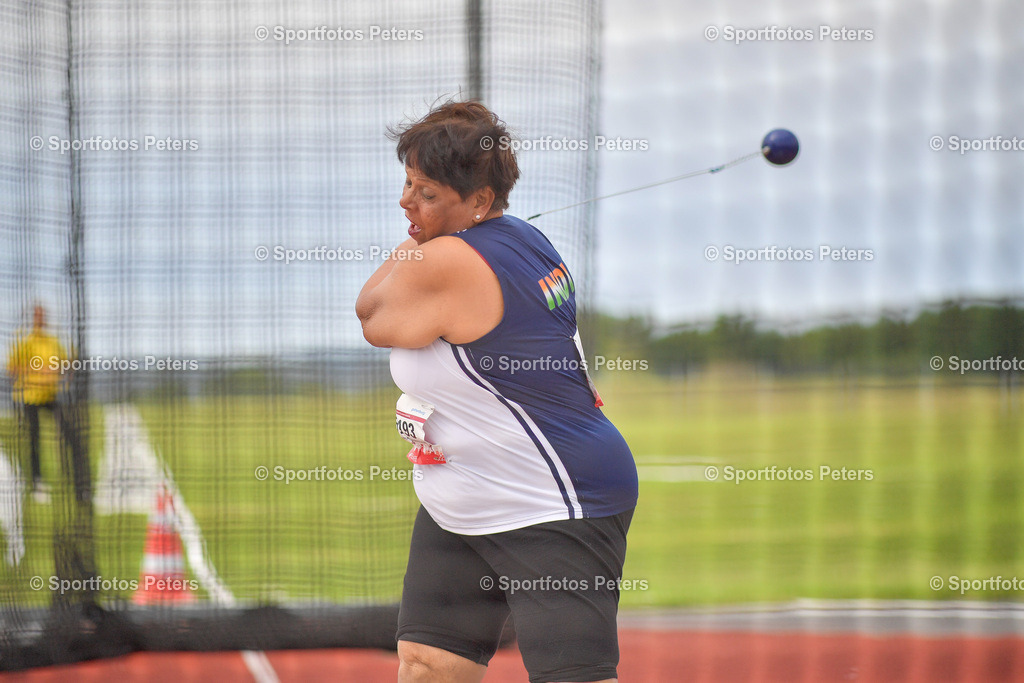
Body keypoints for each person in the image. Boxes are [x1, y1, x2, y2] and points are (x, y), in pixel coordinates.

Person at [356, 100, 639, 683]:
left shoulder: (448, 261)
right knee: (427, 664)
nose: (406, 203)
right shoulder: (523, 238)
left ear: (480, 201)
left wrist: (415, 246)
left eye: (426, 193)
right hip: (462, 500)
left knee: (573, 677)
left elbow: (372, 316)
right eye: (407, 185)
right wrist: (428, 228)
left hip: (550, 500)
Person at [5, 305, 70, 504]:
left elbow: (66, 364)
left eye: (43, 315)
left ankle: (71, 475)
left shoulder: (53, 341)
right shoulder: (25, 341)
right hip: (29, 396)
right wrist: (36, 370)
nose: (41, 319)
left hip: (50, 396)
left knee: (68, 431)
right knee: (34, 438)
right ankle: (36, 481)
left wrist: (57, 371)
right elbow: (12, 369)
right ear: (33, 318)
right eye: (38, 315)